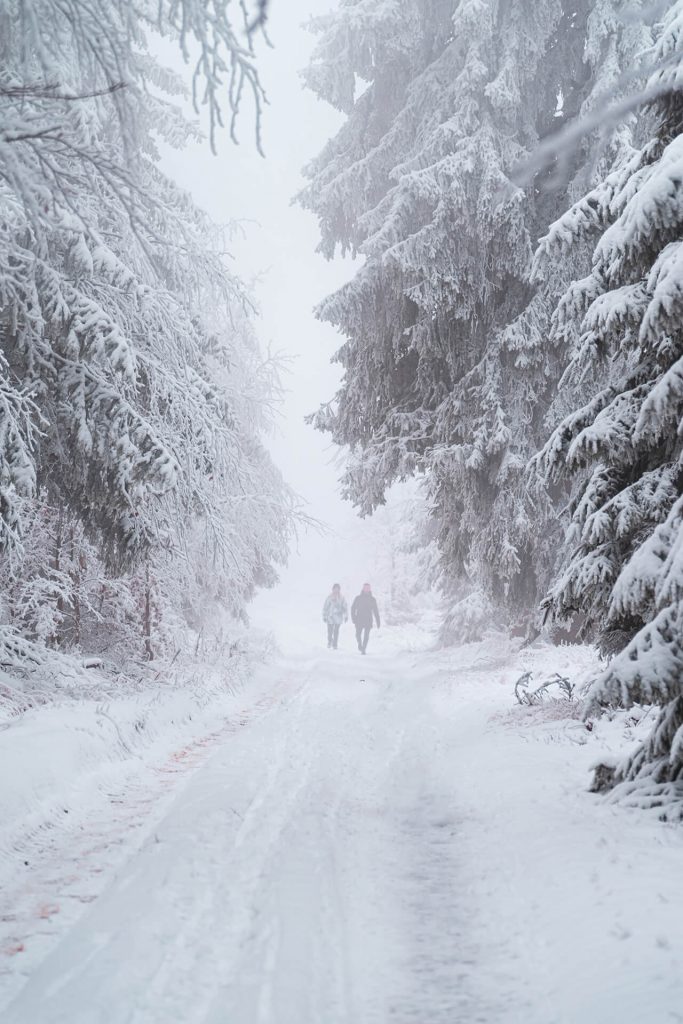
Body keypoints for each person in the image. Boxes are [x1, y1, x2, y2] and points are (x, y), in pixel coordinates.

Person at [351, 583, 380, 654]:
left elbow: (376, 611)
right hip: (359, 619)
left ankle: (363, 649)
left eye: (368, 588)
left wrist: (378, 621)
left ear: (370, 589)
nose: (367, 589)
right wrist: (353, 618)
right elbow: (353, 608)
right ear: (363, 589)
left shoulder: (372, 599)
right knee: (358, 634)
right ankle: (360, 644)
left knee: (366, 635)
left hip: (368, 620)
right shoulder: (358, 598)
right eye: (365, 588)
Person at [322, 583, 348, 649]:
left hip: (338, 618)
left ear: (339, 590)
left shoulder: (342, 598)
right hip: (330, 617)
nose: (336, 590)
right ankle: (329, 641)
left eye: (338, 589)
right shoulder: (329, 597)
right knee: (330, 631)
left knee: (336, 631)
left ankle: (335, 644)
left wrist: (346, 616)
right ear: (333, 589)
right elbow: (325, 607)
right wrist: (324, 616)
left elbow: (345, 607)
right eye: (335, 589)